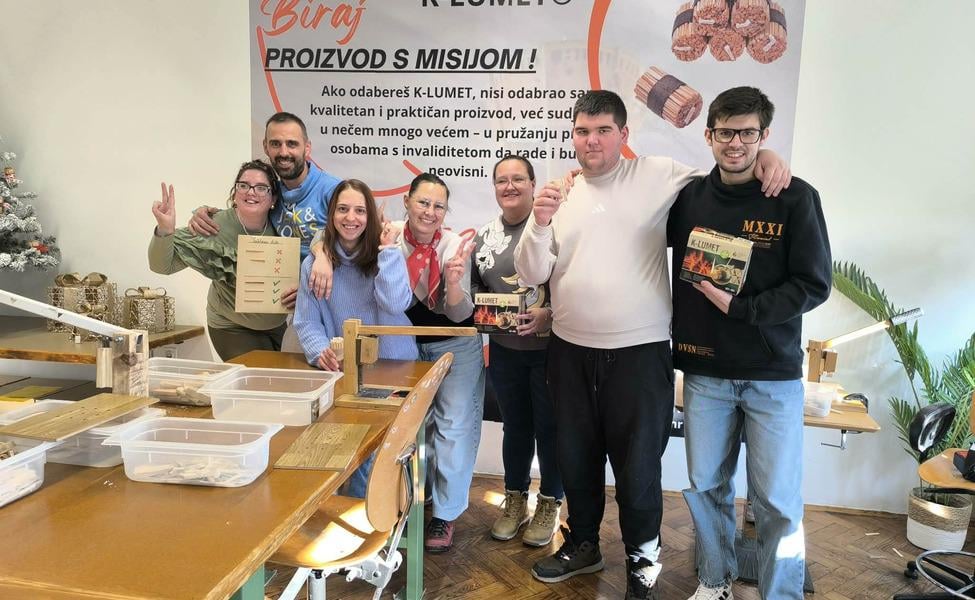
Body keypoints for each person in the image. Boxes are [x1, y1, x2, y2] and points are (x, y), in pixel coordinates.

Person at [513, 89, 791, 599]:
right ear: (572, 136)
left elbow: (727, 170)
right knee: (575, 458)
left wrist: (766, 157)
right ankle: (584, 543)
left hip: (639, 354)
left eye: (603, 130)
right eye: (582, 131)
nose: (592, 140)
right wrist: (540, 221)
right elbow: (532, 273)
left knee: (638, 467)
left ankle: (643, 560)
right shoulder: (559, 192)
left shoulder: (658, 174)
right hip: (570, 351)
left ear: (623, 134)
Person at [668, 86, 831, 600]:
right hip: (706, 373)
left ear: (764, 135)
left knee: (777, 501)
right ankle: (715, 581)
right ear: (709, 135)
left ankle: (780, 594)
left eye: (747, 133)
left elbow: (814, 284)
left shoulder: (795, 197)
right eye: (725, 132)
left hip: (772, 375)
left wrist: (745, 309)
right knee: (706, 489)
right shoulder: (688, 198)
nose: (735, 143)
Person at [293, 178, 417, 498]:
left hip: (393, 369)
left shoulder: (387, 254)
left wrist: (387, 251)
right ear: (331, 214)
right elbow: (306, 321)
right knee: (325, 449)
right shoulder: (314, 264)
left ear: (370, 216)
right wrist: (320, 350)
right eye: (343, 209)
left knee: (374, 455)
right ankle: (336, 514)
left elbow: (395, 304)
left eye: (360, 211)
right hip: (345, 373)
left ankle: (367, 518)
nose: (351, 218)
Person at [471, 155, 562, 547]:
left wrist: (549, 315)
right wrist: (481, 310)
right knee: (516, 426)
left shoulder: (553, 228)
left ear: (533, 184)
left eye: (518, 179)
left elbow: (576, 284)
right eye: (501, 180)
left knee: (551, 428)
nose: (509, 187)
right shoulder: (484, 236)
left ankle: (550, 503)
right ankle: (514, 500)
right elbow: (473, 290)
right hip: (505, 351)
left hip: (550, 350)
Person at [395, 172, 483, 553]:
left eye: (438, 206)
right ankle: (415, 497)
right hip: (405, 344)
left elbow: (461, 313)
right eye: (423, 202)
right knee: (411, 428)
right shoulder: (388, 238)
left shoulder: (455, 246)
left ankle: (445, 515)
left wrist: (454, 282)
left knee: (453, 428)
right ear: (407, 202)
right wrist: (319, 255)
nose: (430, 212)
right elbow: (329, 238)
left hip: (455, 343)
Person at [187, 111, 343, 304]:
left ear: (307, 148)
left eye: (292, 144)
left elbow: (359, 243)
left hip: (328, 297)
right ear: (265, 147)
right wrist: (207, 213)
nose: (284, 152)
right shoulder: (271, 192)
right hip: (284, 301)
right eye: (276, 144)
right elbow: (245, 211)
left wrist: (321, 260)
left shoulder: (333, 190)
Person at [149, 160, 287, 360]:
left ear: (273, 197)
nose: (251, 192)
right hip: (231, 326)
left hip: (277, 326)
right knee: (260, 376)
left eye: (261, 188)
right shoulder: (212, 225)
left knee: (284, 377)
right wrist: (165, 229)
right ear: (235, 193)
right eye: (243, 185)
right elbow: (162, 266)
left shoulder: (283, 227)